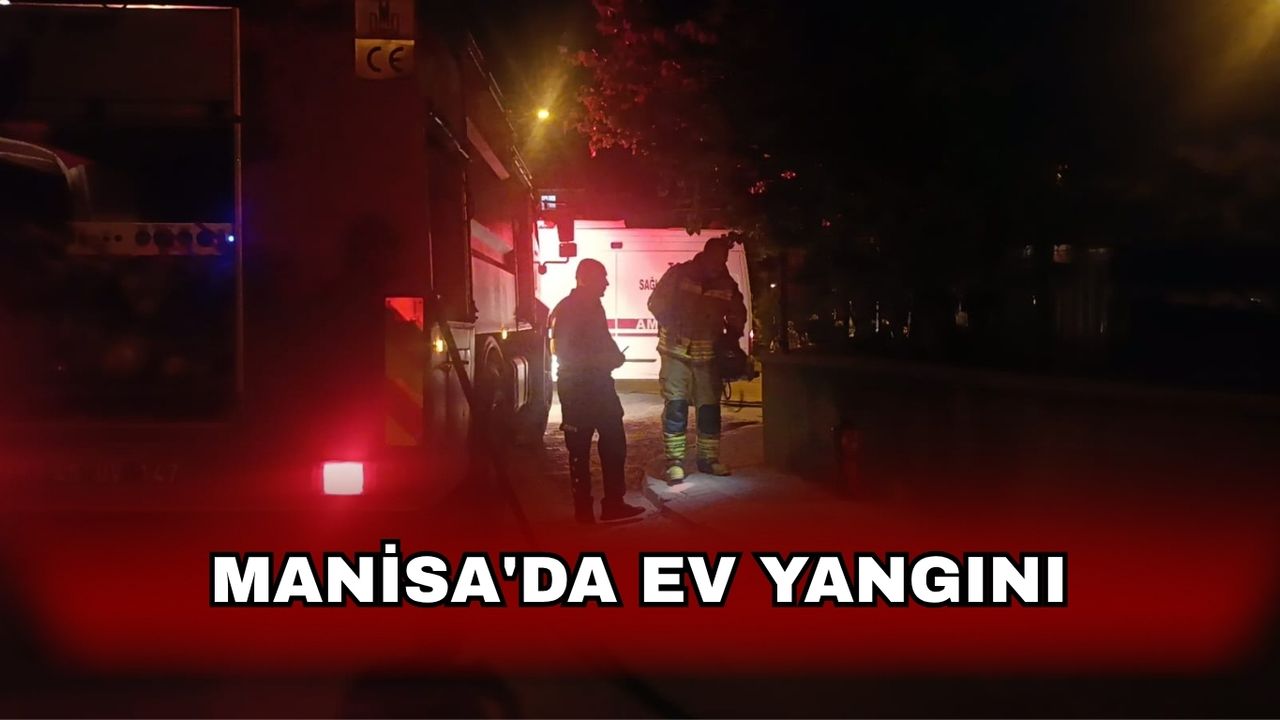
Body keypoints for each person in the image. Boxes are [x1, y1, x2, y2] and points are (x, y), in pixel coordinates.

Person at [549, 259, 646, 523]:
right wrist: (605, 360)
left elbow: (602, 340)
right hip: (584, 387)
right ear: (585, 279)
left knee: (605, 443)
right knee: (586, 447)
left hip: (591, 386)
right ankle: (597, 507)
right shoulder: (571, 309)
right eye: (602, 278)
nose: (606, 283)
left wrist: (613, 356)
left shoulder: (586, 306)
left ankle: (601, 506)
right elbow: (567, 352)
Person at [647, 236, 747, 484]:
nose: (719, 264)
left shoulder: (727, 284)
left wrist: (731, 337)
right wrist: (673, 323)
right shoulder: (680, 274)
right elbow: (656, 303)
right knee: (676, 406)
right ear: (706, 255)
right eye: (716, 258)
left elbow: (738, 313)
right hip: (675, 352)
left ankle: (708, 459)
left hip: (708, 357)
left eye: (723, 260)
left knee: (709, 409)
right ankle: (675, 462)